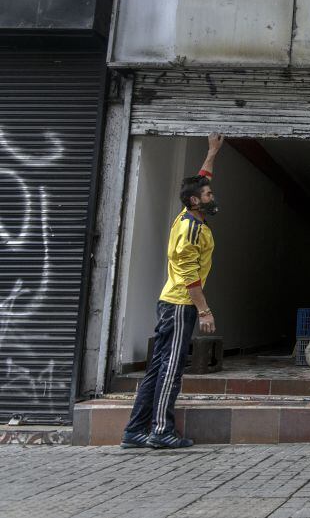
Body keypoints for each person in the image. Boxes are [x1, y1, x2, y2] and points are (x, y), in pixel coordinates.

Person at [119, 134, 223, 449]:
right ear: (195, 201)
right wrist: (204, 311)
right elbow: (190, 277)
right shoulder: (190, 230)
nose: (211, 196)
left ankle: (134, 430)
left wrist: (212, 152)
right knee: (171, 368)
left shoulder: (187, 216)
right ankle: (161, 430)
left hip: (171, 304)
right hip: (180, 305)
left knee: (158, 366)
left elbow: (201, 177)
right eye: (207, 195)